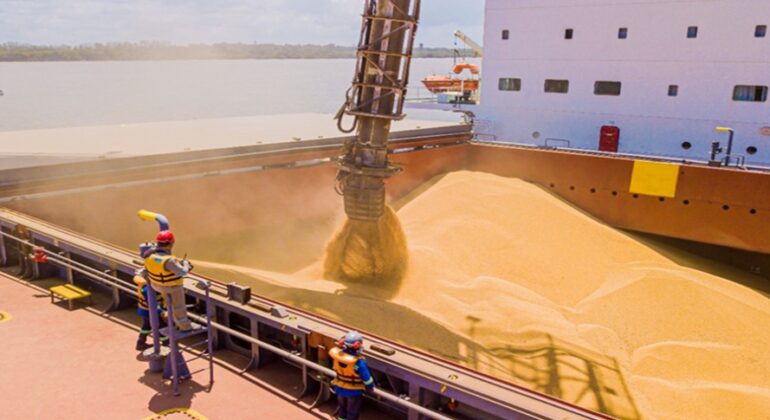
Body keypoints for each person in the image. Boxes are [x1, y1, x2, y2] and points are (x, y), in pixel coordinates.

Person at [138, 230, 194, 332]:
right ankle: (185, 327)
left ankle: (173, 321)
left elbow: (145, 271)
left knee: (169, 305)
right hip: (172, 287)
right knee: (179, 307)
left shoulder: (149, 256)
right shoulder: (169, 260)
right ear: (171, 243)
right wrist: (186, 264)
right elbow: (182, 272)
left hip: (157, 286)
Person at [329, 331, 375, 420]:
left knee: (342, 409)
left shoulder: (337, 357)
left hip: (339, 388)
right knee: (352, 412)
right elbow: (367, 379)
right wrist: (370, 386)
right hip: (354, 392)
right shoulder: (359, 362)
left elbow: (333, 366)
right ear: (358, 345)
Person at [133, 275, 167, 351]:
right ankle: (166, 344)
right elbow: (153, 304)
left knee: (146, 326)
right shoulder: (147, 289)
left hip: (145, 310)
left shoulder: (145, 285)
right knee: (162, 327)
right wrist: (162, 312)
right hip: (150, 311)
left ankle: (140, 343)